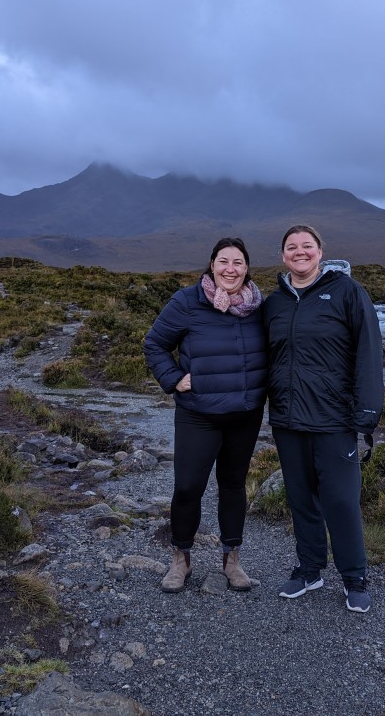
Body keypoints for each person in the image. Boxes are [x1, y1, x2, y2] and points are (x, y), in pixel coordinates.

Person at [264, 224, 384, 613]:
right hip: (288, 420)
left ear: (320, 252)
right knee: (300, 499)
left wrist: (367, 411)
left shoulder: (347, 292)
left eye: (307, 246)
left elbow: (369, 351)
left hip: (334, 419)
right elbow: (261, 357)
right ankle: (309, 569)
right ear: (283, 255)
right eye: (292, 247)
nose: (299, 252)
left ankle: (354, 577)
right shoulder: (274, 303)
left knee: (341, 501)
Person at [143, 237, 268, 593]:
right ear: (212, 264)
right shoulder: (187, 301)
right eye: (223, 261)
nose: (231, 269)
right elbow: (155, 343)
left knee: (233, 485)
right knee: (188, 487)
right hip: (198, 413)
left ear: (247, 268)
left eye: (238, 262)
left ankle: (232, 560)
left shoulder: (260, 306)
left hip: (244, 414)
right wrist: (173, 378)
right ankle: (180, 559)